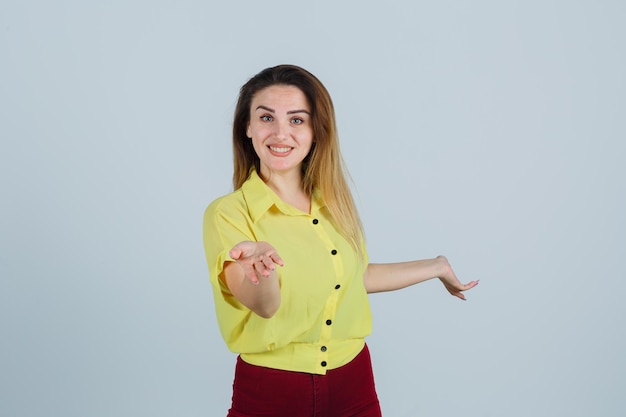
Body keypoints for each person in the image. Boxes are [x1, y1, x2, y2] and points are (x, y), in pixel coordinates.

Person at [203, 64, 478, 417]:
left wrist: (436, 266)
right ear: (247, 127)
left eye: (297, 120)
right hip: (273, 390)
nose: (281, 133)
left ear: (317, 130)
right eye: (266, 118)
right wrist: (263, 264)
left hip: (354, 382)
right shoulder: (227, 214)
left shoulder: (333, 204)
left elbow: (353, 279)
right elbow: (264, 306)